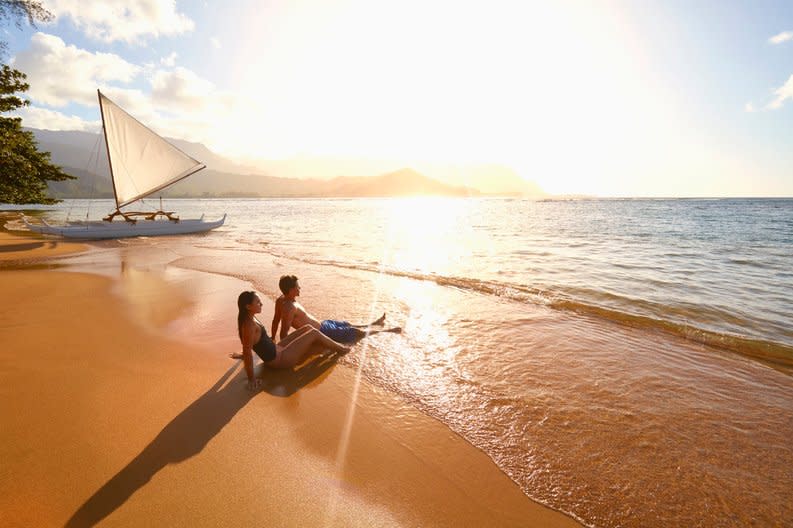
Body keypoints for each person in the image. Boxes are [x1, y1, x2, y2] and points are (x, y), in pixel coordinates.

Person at [235, 291, 350, 390]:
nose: (261, 304)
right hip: (279, 360)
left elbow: (248, 344)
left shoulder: (248, 317)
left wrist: (244, 353)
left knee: (308, 329)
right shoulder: (249, 325)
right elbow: (247, 349)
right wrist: (251, 379)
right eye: (258, 302)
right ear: (248, 306)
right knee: (314, 334)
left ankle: (329, 345)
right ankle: (341, 349)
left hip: (278, 349)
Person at [272, 274, 401, 343]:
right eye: (297, 287)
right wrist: (283, 349)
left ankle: (373, 323)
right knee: (355, 332)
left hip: (324, 324)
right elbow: (284, 333)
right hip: (325, 333)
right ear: (291, 290)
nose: (300, 288)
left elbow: (275, 320)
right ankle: (388, 331)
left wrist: (272, 337)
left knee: (347, 324)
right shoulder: (289, 308)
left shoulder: (281, 299)